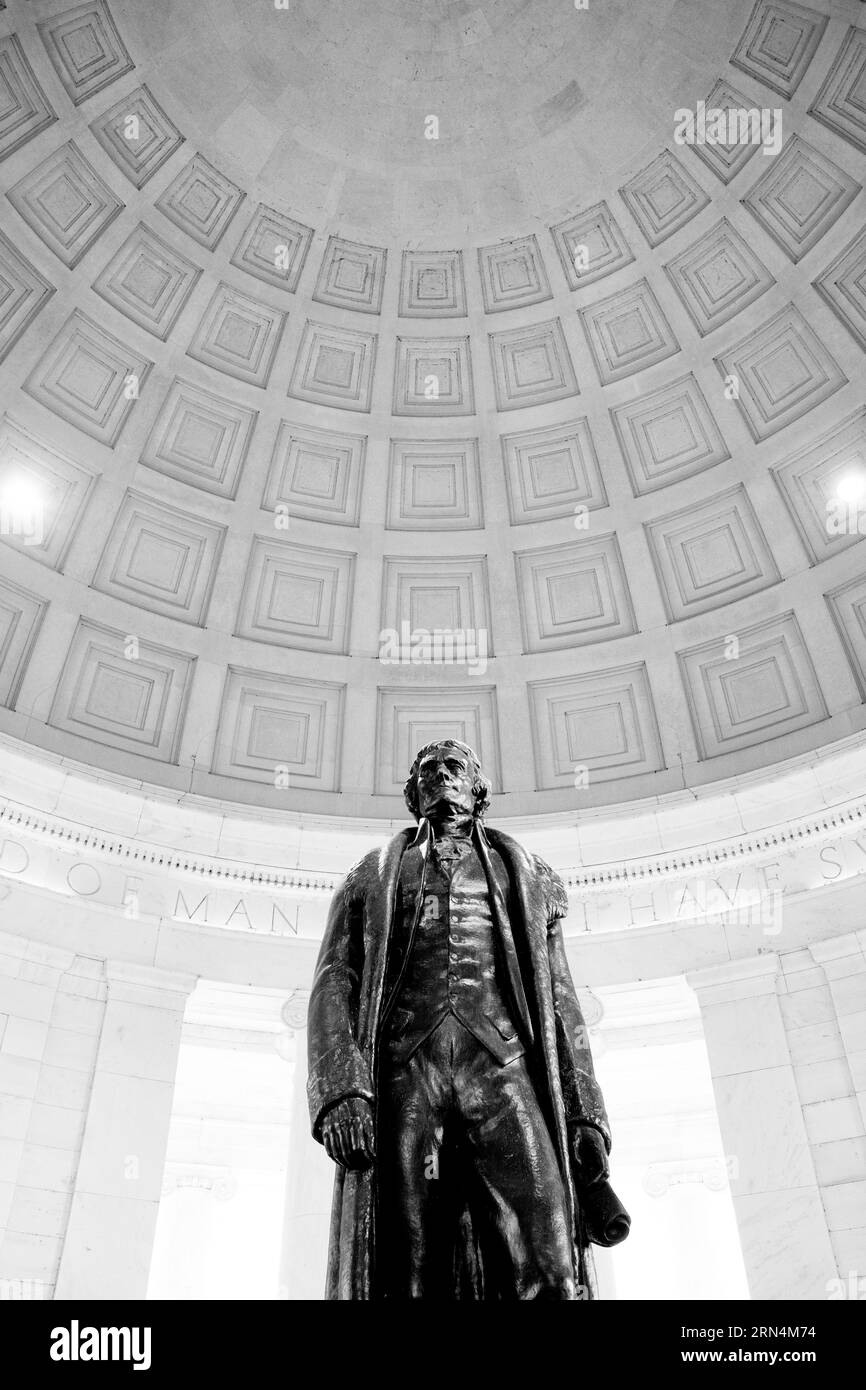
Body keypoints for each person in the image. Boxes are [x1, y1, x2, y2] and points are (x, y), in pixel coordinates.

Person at [307, 739, 628, 1299]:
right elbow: (334, 979)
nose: (441, 778)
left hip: (504, 1069)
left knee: (549, 1254)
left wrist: (583, 1115)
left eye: (454, 768)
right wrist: (340, 1092)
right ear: (413, 792)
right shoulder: (371, 878)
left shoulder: (525, 875)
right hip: (406, 1075)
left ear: (478, 788)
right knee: (404, 1268)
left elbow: (559, 997)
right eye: (427, 772)